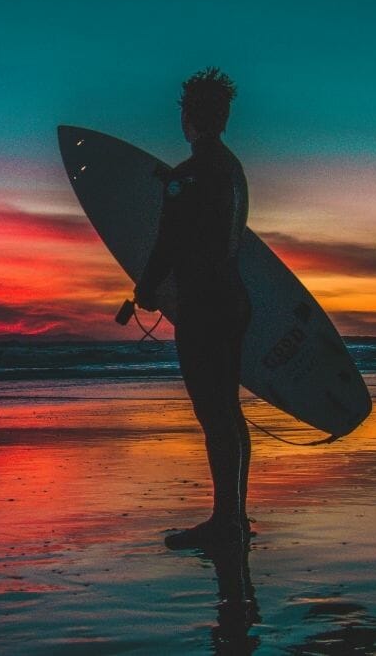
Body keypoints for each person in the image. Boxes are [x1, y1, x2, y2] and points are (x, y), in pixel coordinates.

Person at [134, 67, 252, 550]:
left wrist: (146, 288)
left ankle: (224, 522)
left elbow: (170, 241)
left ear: (191, 117)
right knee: (229, 411)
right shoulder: (233, 169)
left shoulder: (188, 176)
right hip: (232, 297)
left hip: (203, 304)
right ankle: (234, 516)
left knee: (214, 414)